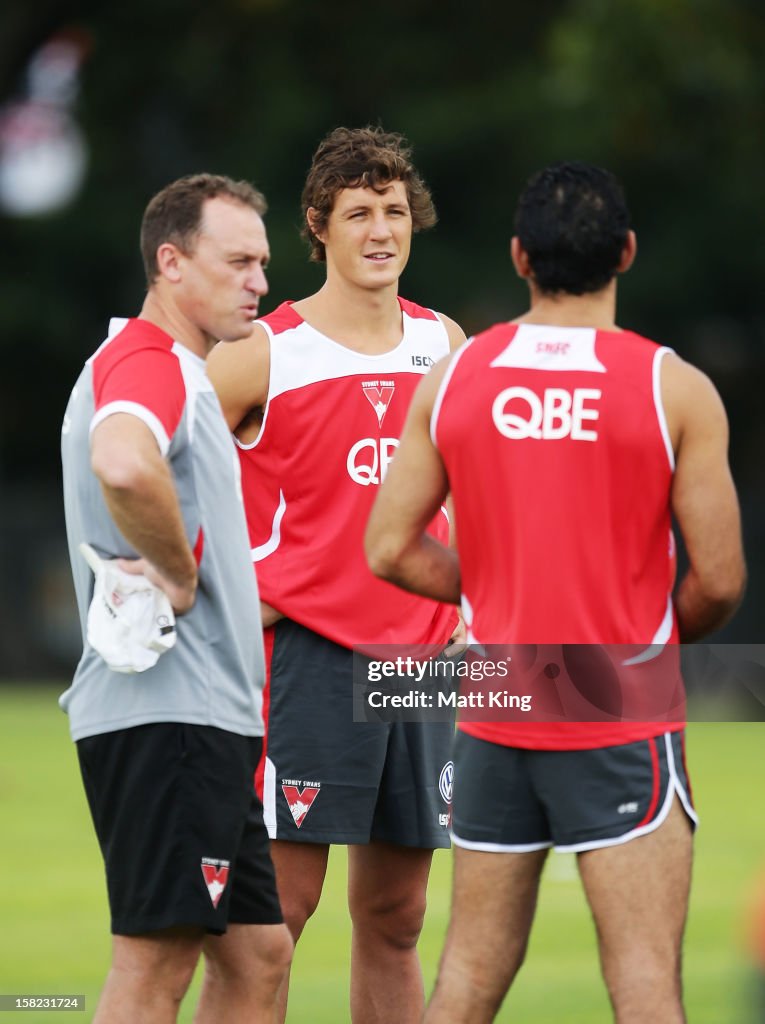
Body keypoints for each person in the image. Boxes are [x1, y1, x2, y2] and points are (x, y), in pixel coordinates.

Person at [365, 161, 746, 1023]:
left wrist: (499, 597)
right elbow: (718, 581)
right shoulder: (672, 387)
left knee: (463, 979)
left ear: (517, 257)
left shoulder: (456, 377)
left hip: (497, 699)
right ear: (626, 252)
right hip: (620, 707)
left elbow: (388, 548)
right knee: (645, 985)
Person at [207, 125, 466, 1022]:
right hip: (311, 663)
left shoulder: (444, 343)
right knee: (272, 920)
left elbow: (461, 484)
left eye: (394, 210)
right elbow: (155, 458)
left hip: (424, 667)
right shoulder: (263, 353)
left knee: (397, 917)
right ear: (318, 227)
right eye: (358, 212)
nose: (381, 229)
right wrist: (231, 588)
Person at [60, 173, 293, 1024]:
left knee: (260, 956)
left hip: (204, 721)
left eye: (262, 263)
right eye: (237, 261)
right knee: (155, 967)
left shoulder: (181, 370)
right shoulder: (148, 362)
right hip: (169, 719)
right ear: (171, 264)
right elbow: (122, 460)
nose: (259, 282)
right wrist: (183, 575)